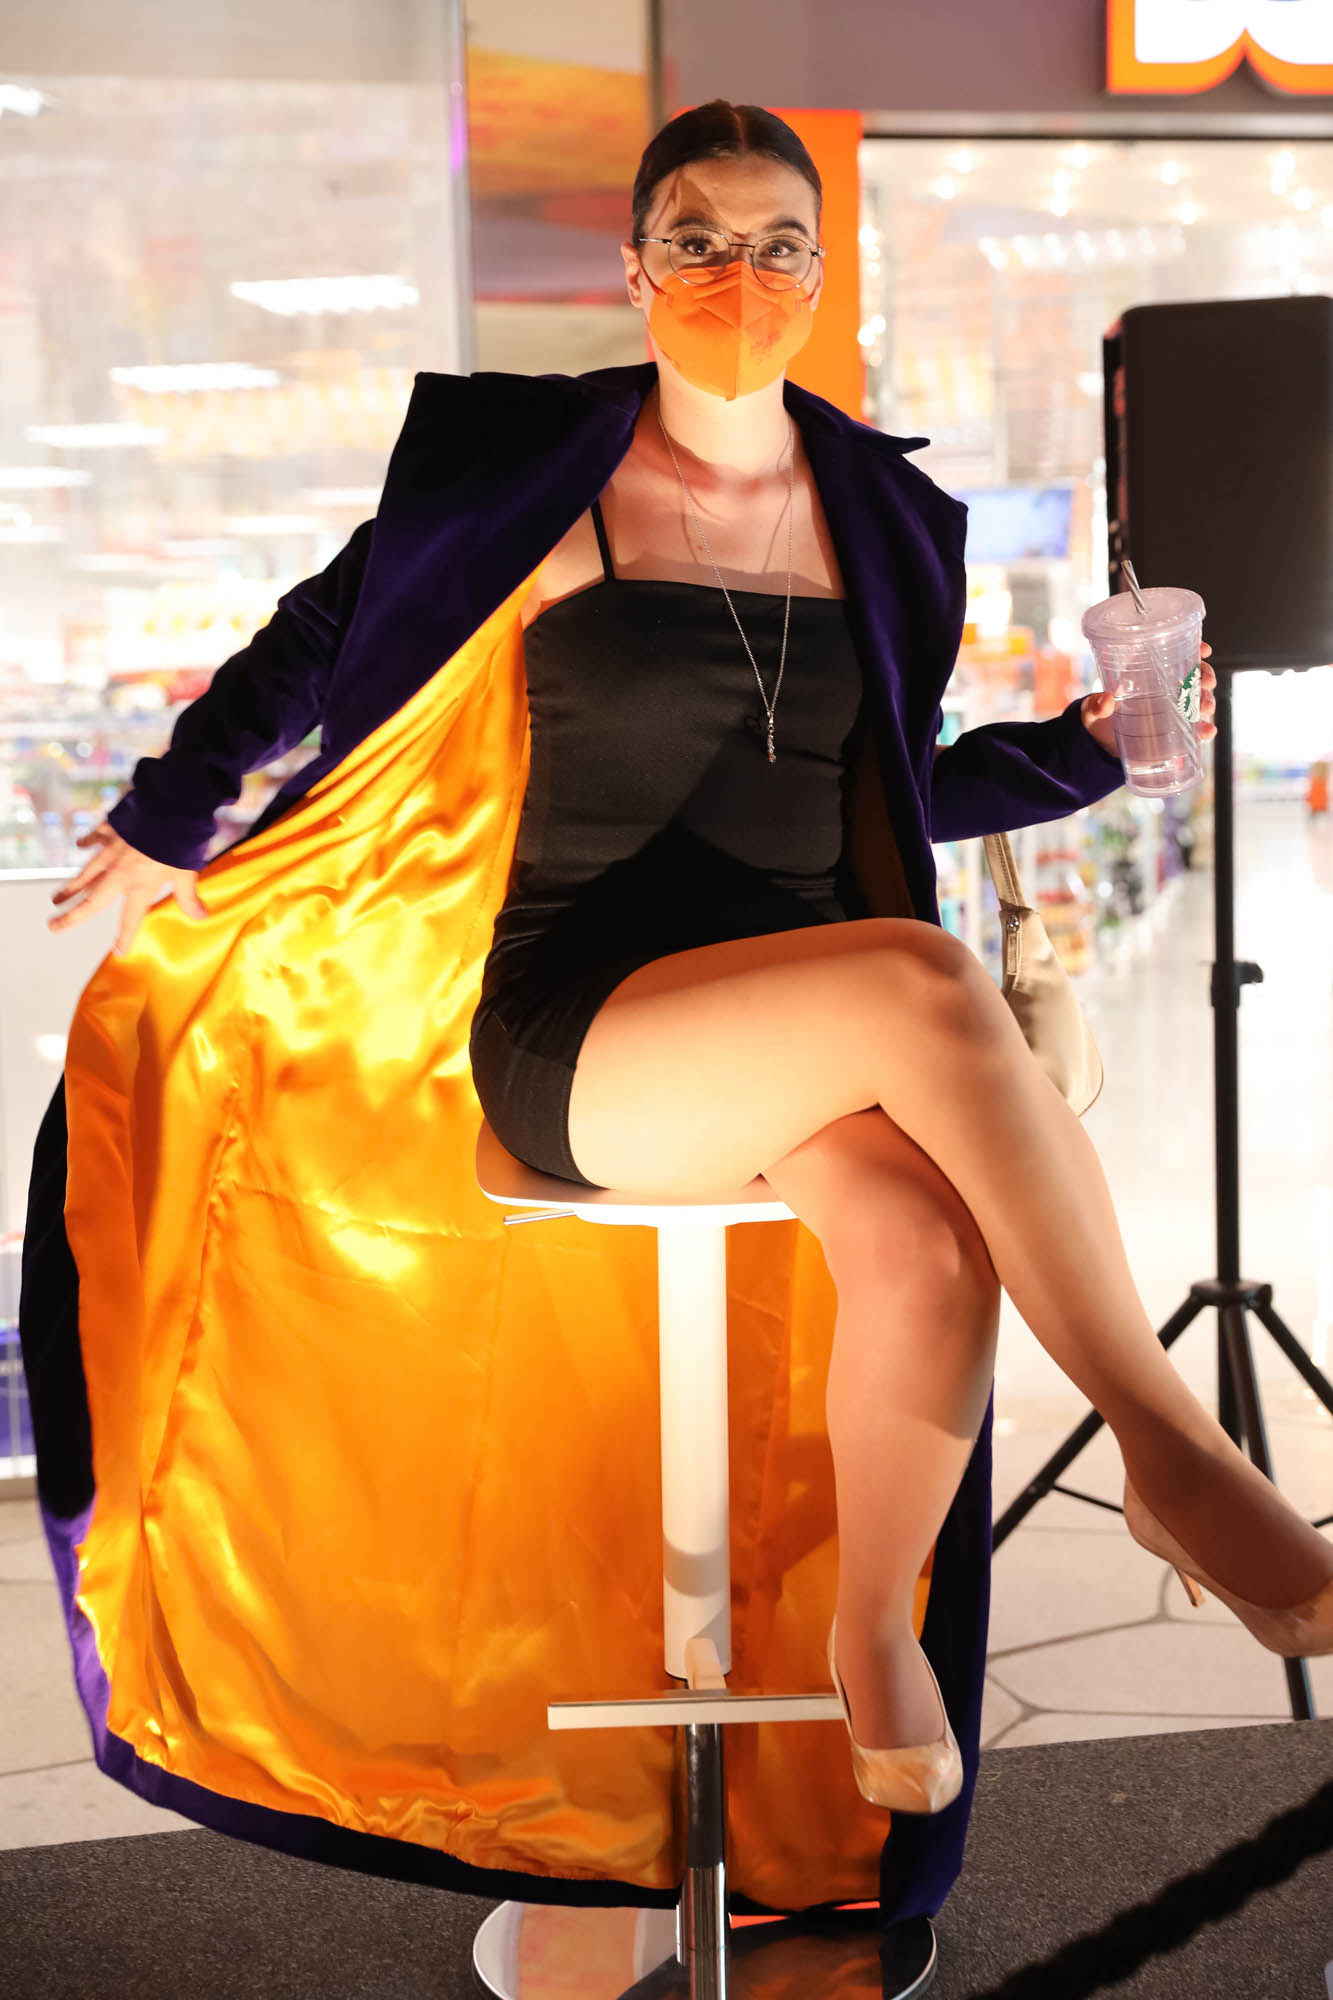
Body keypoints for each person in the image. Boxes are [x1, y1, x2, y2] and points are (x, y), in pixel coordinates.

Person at [32, 102, 1332, 1922]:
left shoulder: (885, 512)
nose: (741, 275)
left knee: (920, 1244)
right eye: (700, 240)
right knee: (920, 978)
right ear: (636, 267)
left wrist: (1087, 754)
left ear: (820, 270)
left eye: (778, 243)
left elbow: (890, 781)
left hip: (814, 1007)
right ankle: (1168, 1447)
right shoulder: (529, 474)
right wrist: (169, 816)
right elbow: (315, 641)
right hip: (588, 1020)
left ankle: (867, 1630)